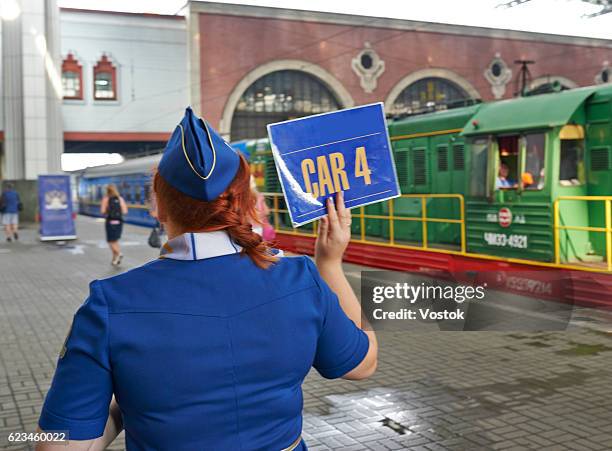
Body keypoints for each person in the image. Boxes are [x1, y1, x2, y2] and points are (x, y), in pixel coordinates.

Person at [36, 107, 377, 451]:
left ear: (159, 207)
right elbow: (363, 364)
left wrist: (130, 397)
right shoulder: (300, 277)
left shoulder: (110, 304)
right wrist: (330, 264)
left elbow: (59, 445)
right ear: (245, 204)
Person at [100, 184, 128, 266]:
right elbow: (125, 211)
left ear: (107, 191)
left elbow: (102, 211)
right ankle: (114, 259)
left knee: (110, 241)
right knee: (115, 240)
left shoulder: (106, 198)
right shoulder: (120, 199)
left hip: (110, 221)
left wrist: (108, 212)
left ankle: (119, 254)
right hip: (119, 221)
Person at [250, 175, 276, 241]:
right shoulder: (258, 196)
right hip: (258, 228)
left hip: (247, 230)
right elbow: (267, 211)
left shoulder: (236, 198)